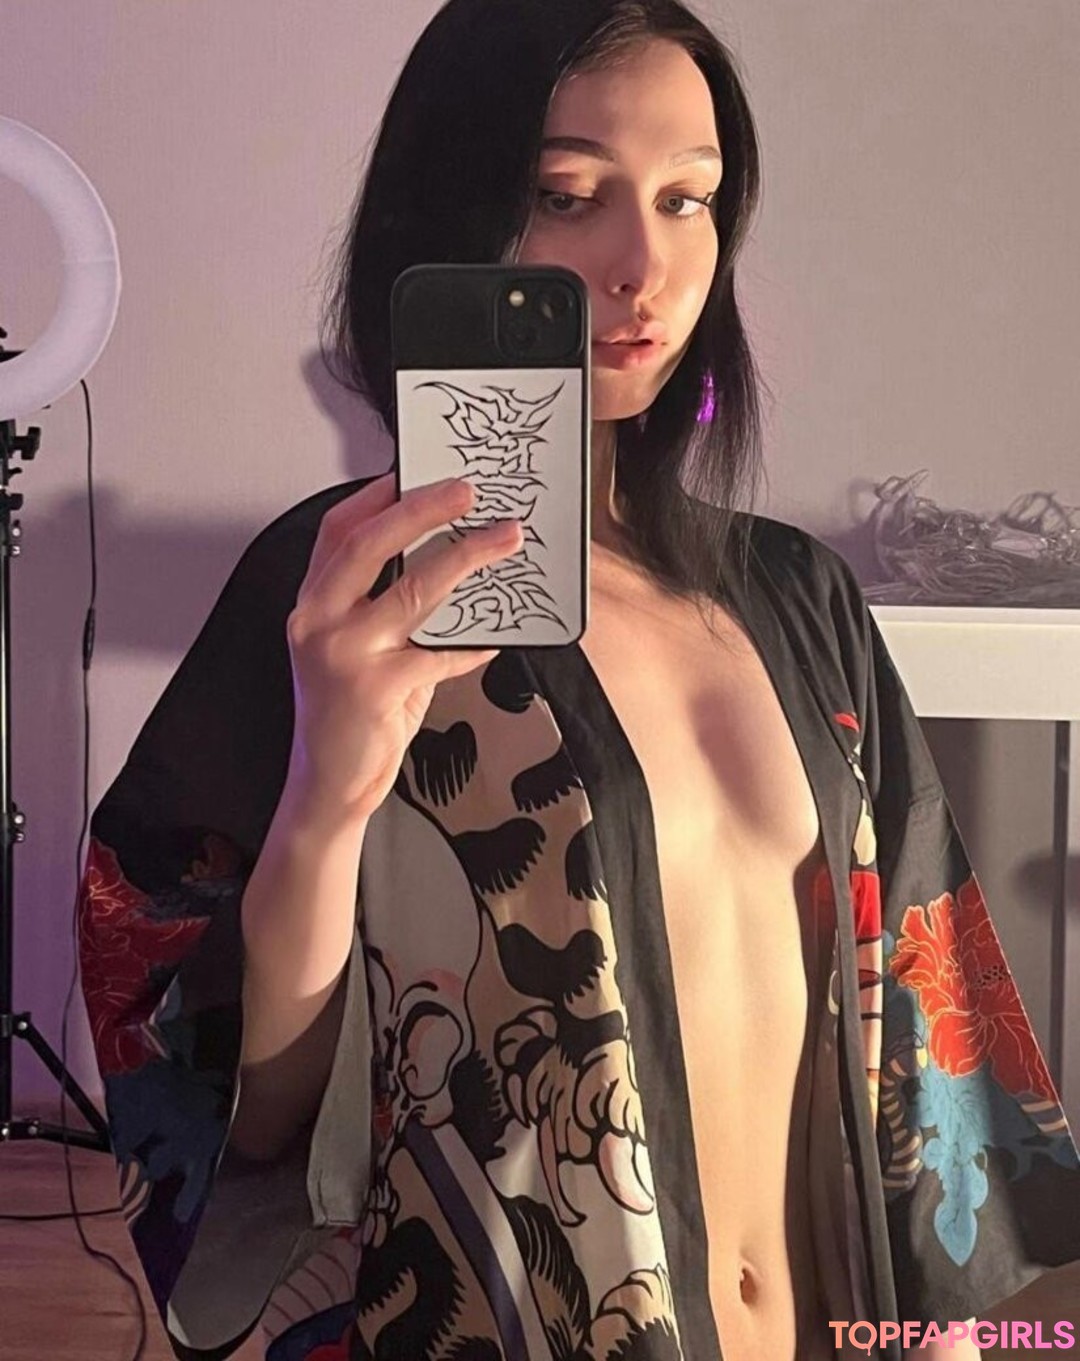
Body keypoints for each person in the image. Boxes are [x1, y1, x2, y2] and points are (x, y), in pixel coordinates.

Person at [77, 2, 1080, 1359]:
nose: (643, 264)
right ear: (451, 212)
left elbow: (924, 1012)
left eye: (687, 199)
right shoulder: (339, 599)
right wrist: (326, 796)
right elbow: (250, 1122)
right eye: (567, 195)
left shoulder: (799, 598)